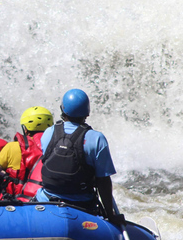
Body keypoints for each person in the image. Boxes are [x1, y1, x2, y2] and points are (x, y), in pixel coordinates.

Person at [35, 89, 125, 226]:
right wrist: (110, 215)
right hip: (83, 206)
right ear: (87, 112)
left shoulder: (49, 132)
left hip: (46, 200)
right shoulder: (97, 139)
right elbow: (103, 181)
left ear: (62, 109)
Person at [0, 106, 53, 202]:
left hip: (16, 202)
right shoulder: (56, 147)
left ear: (25, 129)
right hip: (44, 202)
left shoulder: (12, 147)